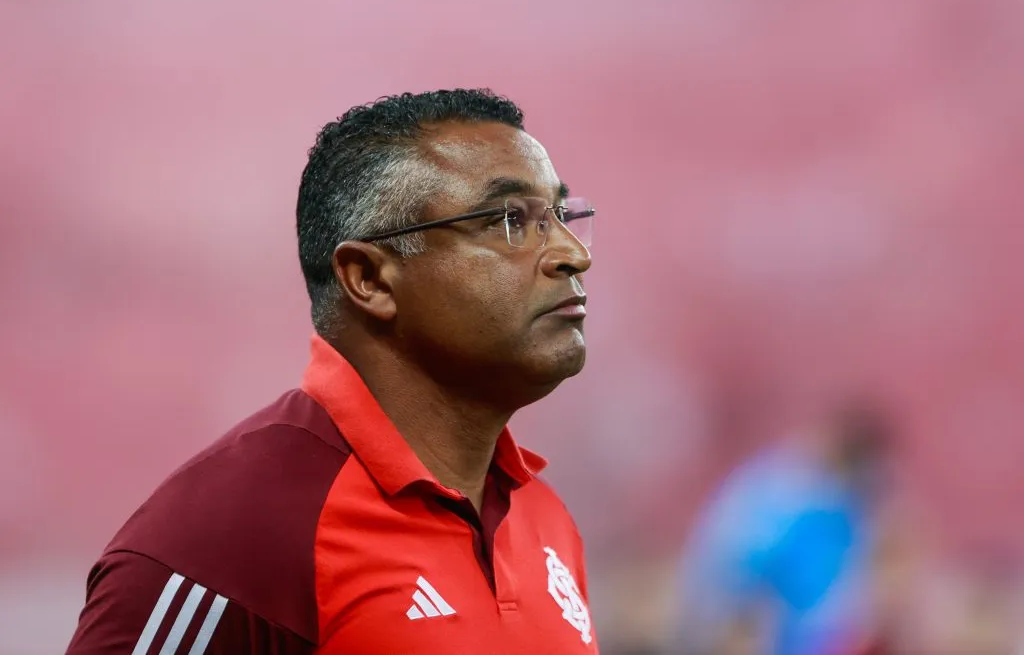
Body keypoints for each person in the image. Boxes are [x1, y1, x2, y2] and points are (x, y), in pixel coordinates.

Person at [66, 89, 599, 654]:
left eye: (561, 216)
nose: (572, 253)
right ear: (368, 278)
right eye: (509, 219)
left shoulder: (544, 517)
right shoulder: (230, 532)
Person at [672, 399, 894, 655]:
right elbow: (733, 561)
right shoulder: (782, 487)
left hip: (811, 635)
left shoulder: (857, 506)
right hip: (756, 624)